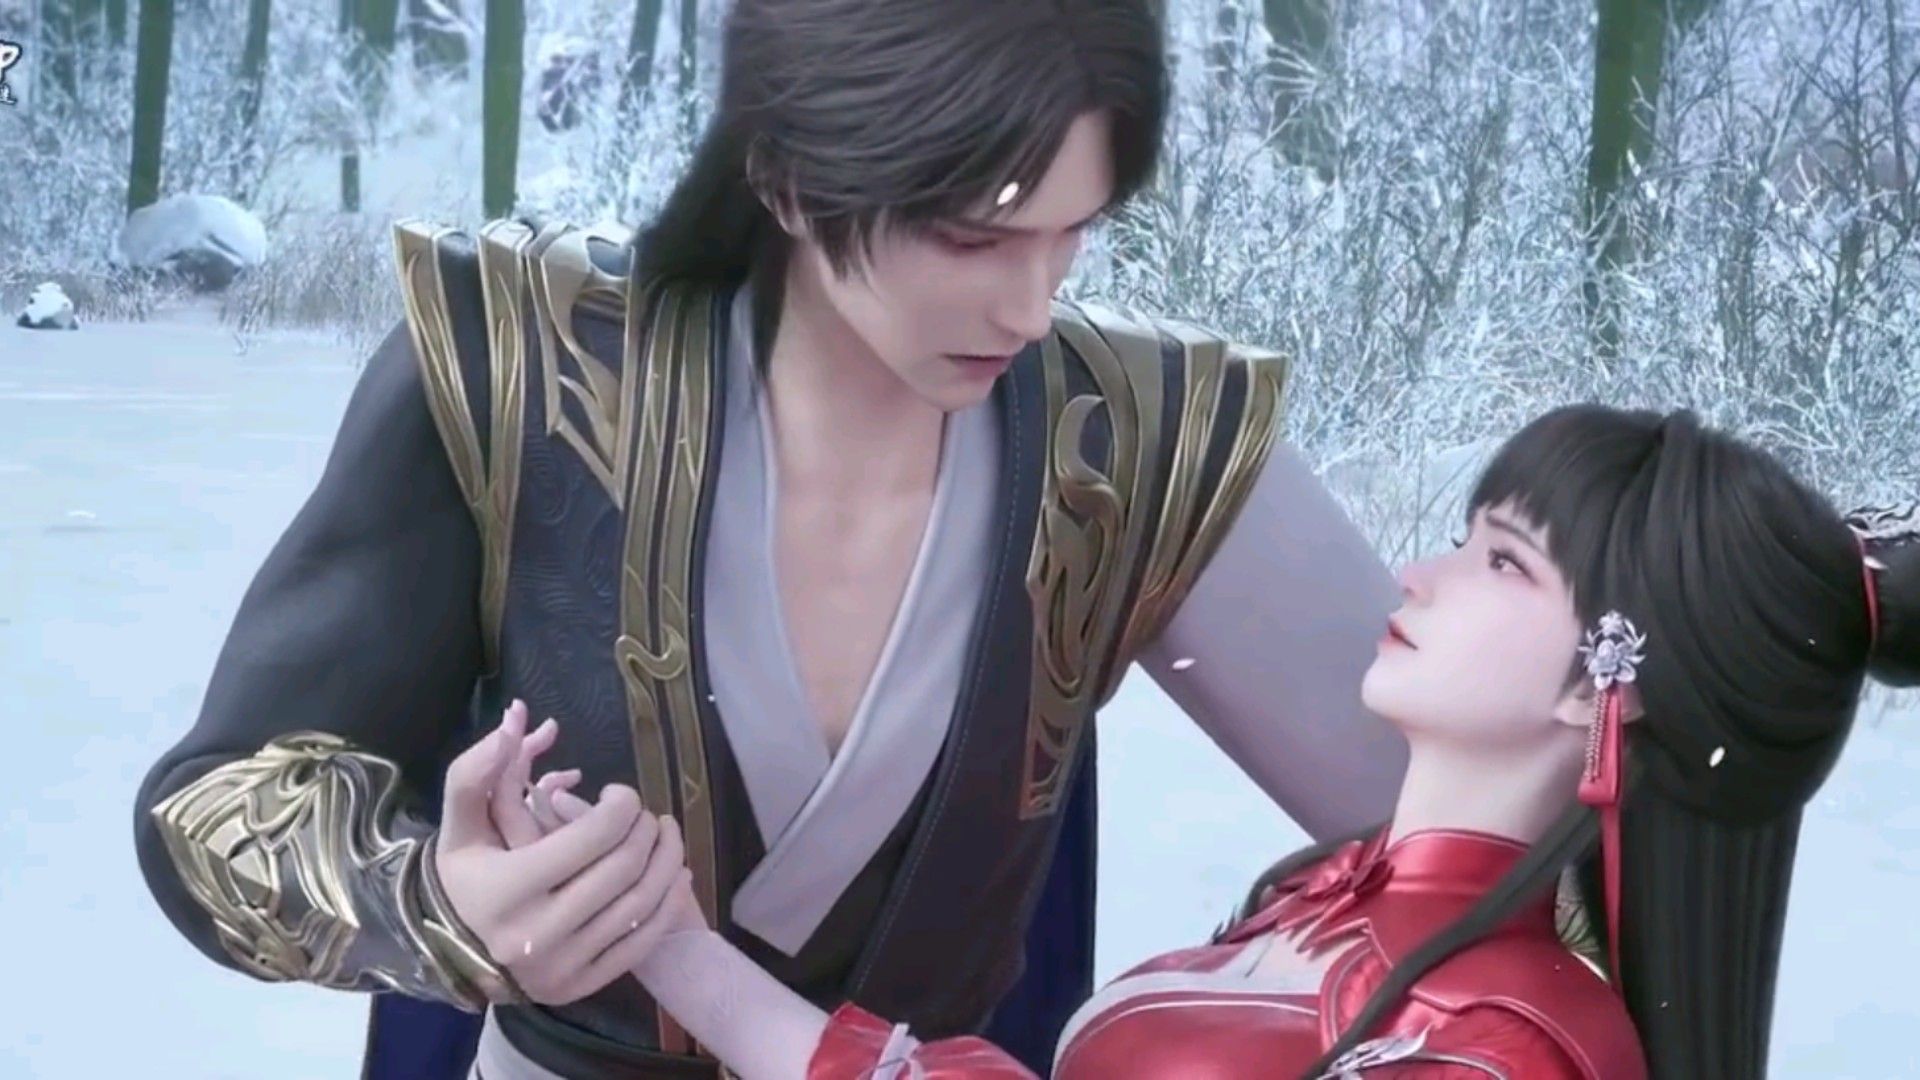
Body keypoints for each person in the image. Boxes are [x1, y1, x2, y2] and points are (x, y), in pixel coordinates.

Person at [130, 2, 1411, 1077]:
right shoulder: (519, 364)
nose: (1031, 307)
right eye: (974, 238)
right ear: (792, 176)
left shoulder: (1139, 433)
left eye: (1072, 235)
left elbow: (1487, 835)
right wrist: (429, 903)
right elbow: (216, 803)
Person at [510, 404, 1920, 1079]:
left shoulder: (1505, 1041)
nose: (1421, 578)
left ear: (1605, 684)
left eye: (1501, 562)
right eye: (1459, 538)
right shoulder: (1319, 904)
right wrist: (669, 941)